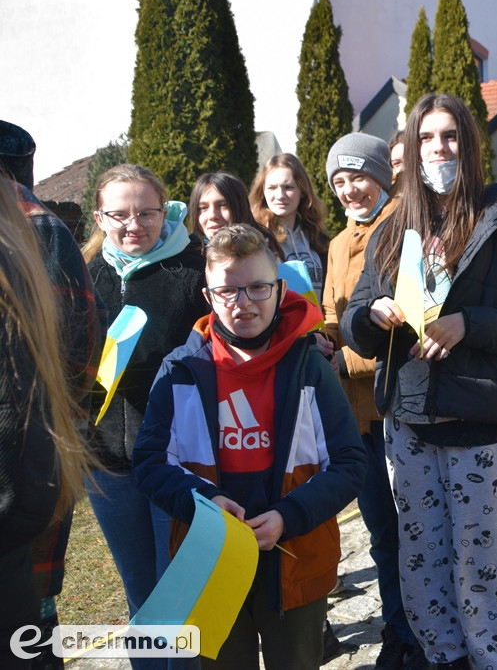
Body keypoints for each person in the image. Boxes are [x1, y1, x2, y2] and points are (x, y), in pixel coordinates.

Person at [341, 93, 497, 670]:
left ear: (470, 144)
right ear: (410, 149)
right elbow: (353, 320)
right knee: (422, 559)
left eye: (451, 136)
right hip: (408, 420)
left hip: (478, 421)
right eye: (428, 138)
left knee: (481, 561)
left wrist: (469, 325)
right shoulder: (392, 229)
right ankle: (444, 659)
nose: (440, 148)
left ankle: (494, 661)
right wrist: (372, 315)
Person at [133, 224, 365, 669]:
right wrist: (204, 502)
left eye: (258, 288)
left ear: (279, 290)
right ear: (208, 296)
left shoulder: (309, 367)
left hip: (297, 558)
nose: (243, 304)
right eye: (228, 291)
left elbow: (350, 462)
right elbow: (149, 463)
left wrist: (288, 516)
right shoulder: (180, 369)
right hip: (210, 562)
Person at [82, 164, 209, 670]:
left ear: (166, 211)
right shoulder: (85, 275)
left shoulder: (196, 268)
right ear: (100, 217)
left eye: (146, 212)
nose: (134, 225)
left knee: (180, 596)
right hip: (107, 464)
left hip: (177, 459)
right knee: (140, 596)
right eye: (119, 215)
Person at [2, 120, 103, 670]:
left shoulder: (36, 229)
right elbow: (81, 361)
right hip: (31, 488)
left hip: (21, 492)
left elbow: (78, 358)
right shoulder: (44, 228)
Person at [320, 132, 421, 668]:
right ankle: (398, 629)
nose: (349, 189)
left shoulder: (408, 227)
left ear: (383, 175)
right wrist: (322, 340)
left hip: (402, 407)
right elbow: (336, 316)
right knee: (383, 531)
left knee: (418, 527)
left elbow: (410, 324)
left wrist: (344, 358)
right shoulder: (337, 244)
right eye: (339, 180)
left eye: (358, 176)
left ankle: (430, 626)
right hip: (357, 416)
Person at [250, 154, 330, 303]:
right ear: (262, 192)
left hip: (318, 325)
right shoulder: (254, 239)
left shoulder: (318, 239)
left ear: (303, 192)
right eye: (272, 188)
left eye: (288, 187)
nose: (280, 195)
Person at [187, 172, 284, 260]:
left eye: (223, 205)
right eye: (203, 208)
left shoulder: (265, 251)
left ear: (241, 208)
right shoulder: (190, 258)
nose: (212, 215)